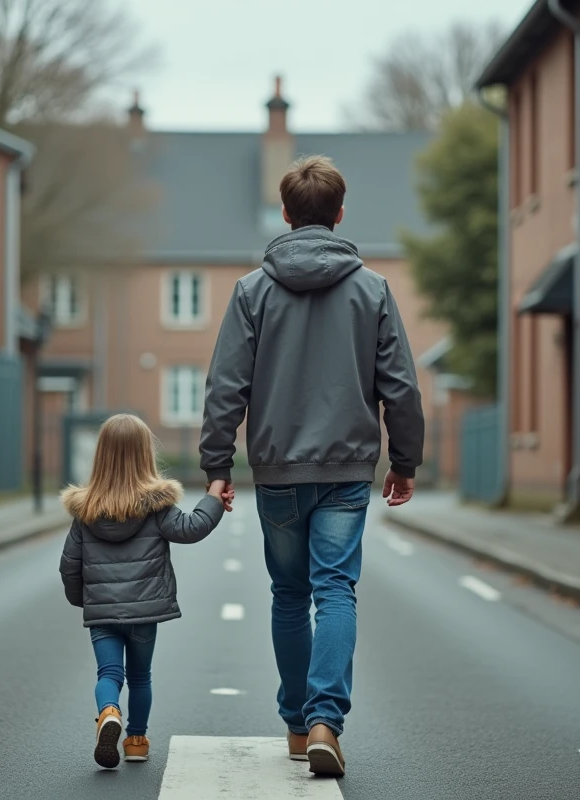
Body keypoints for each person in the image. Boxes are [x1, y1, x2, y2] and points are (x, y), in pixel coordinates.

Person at [200, 155, 425, 777]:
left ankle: (299, 726)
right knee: (336, 590)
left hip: (276, 471)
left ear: (286, 214)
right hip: (348, 470)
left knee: (289, 594)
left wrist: (217, 464)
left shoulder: (252, 292)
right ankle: (328, 719)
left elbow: (226, 386)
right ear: (341, 214)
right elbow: (400, 386)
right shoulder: (373, 290)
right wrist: (404, 462)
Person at [59, 413, 231, 770]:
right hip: (144, 612)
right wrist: (214, 496)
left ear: (101, 456)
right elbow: (191, 528)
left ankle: (108, 712)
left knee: (109, 674)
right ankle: (136, 740)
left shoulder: (85, 510)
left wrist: (84, 599)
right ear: (145, 456)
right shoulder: (156, 506)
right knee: (140, 676)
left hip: (103, 611)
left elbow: (69, 565)